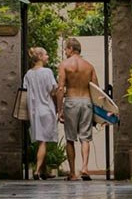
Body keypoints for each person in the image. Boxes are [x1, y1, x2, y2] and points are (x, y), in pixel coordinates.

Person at [56, 37, 98, 180]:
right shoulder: (89, 66)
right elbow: (96, 90)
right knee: (85, 138)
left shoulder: (64, 65)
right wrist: (98, 112)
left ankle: (73, 173)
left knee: (70, 139)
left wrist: (59, 109)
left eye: (66, 49)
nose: (65, 52)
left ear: (71, 49)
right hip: (86, 101)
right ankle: (85, 167)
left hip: (71, 101)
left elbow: (61, 88)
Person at [21, 47, 59, 179]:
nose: (48, 57)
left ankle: (44, 171)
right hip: (46, 109)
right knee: (43, 141)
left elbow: (24, 92)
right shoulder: (47, 72)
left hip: (34, 111)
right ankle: (37, 171)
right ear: (41, 57)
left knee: (40, 140)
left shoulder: (28, 74)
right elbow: (53, 90)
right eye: (46, 54)